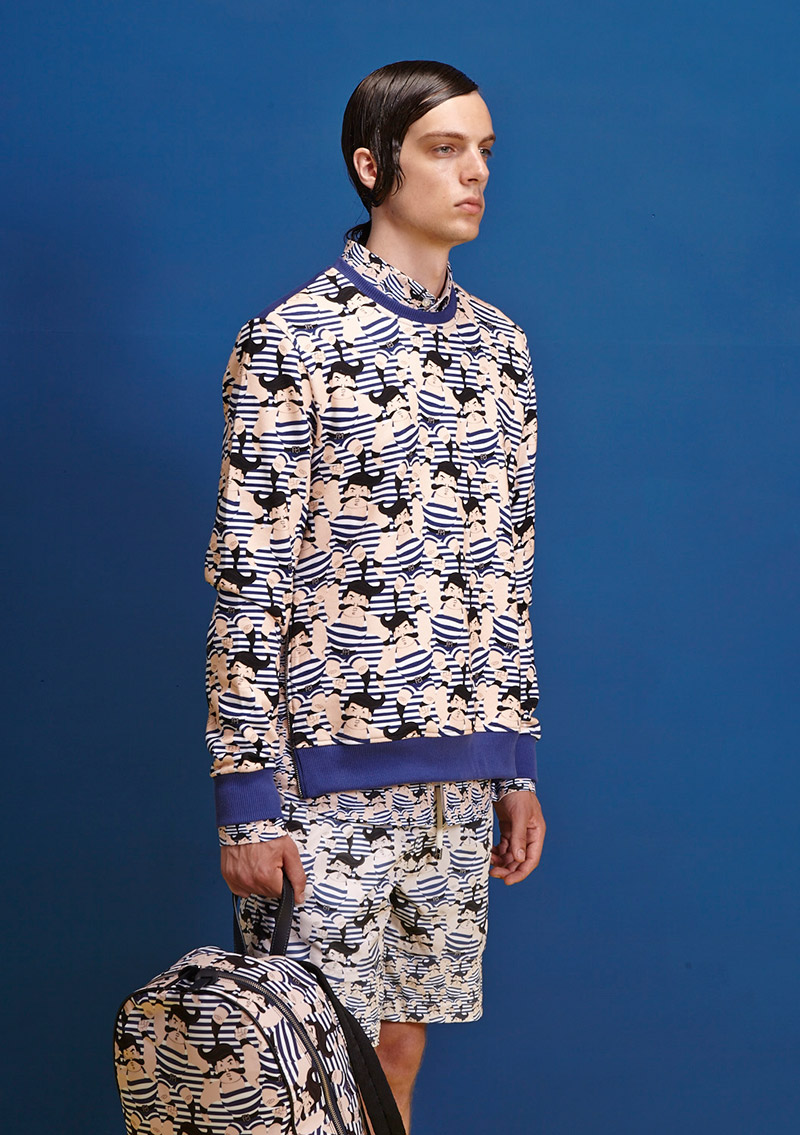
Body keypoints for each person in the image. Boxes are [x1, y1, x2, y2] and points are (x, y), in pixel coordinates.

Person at [203, 59, 546, 1133]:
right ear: (371, 164)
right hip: (319, 785)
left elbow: (508, 568)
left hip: (458, 782)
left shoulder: (501, 347)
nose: (474, 172)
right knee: (308, 1070)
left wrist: (514, 760)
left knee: (397, 1053)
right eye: (444, 149)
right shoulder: (289, 341)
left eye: (483, 150)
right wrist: (246, 797)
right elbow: (246, 582)